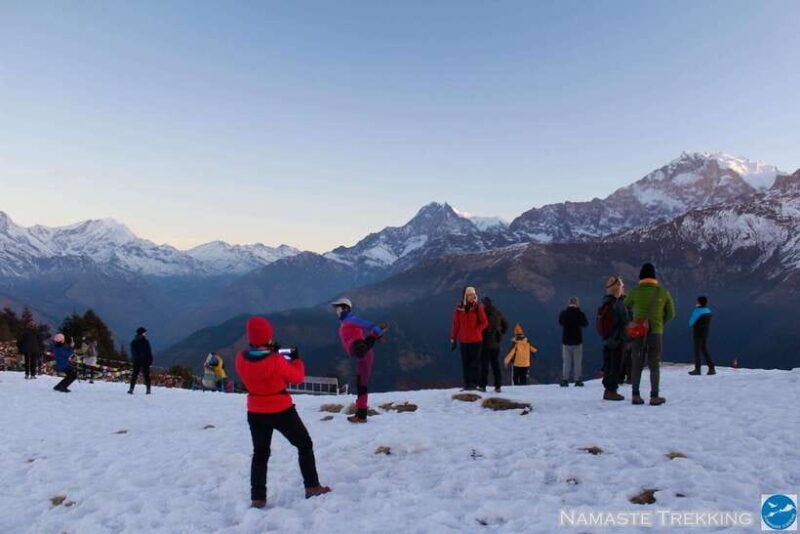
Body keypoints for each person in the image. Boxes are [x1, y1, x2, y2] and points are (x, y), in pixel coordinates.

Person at [235, 316, 331, 507]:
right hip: (281, 409)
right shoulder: (276, 360)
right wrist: (296, 361)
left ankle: (258, 498)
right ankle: (312, 487)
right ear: (269, 337)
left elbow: (256, 368)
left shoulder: (240, 359)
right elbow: (297, 377)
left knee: (260, 454)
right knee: (304, 444)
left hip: (255, 410)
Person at [625, 263, 676, 406]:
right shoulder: (663, 292)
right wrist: (660, 322)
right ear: (654, 276)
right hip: (656, 332)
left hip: (639, 331)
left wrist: (632, 322)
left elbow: (624, 307)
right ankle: (654, 396)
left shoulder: (635, 292)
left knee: (637, 363)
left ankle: (635, 395)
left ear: (640, 277)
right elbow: (672, 313)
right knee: (654, 365)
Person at [331, 297, 388, 423]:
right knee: (360, 383)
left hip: (362, 351)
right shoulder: (346, 321)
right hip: (360, 351)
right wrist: (376, 335)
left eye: (338, 308)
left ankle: (361, 415)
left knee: (362, 384)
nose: (337, 311)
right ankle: (360, 413)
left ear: (345, 308)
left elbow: (370, 325)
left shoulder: (351, 319)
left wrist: (378, 332)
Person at [450, 287, 488, 391]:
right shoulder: (459, 309)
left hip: (476, 340)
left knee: (475, 363)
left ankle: (474, 384)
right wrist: (453, 339)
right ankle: (467, 384)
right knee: (465, 363)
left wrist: (477, 330)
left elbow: (484, 322)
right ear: (465, 296)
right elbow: (456, 324)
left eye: (473, 295)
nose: (472, 297)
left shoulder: (478, 308)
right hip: (464, 340)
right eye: (470, 295)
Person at [598, 276, 630, 401]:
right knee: (616, 364)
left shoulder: (605, 301)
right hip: (618, 338)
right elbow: (625, 320)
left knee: (608, 363)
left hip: (607, 338)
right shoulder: (619, 303)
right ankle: (611, 390)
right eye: (622, 286)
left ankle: (608, 388)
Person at [479, 297, 509, 392]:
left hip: (484, 343)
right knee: (495, 365)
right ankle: (498, 386)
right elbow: (506, 324)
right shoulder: (497, 312)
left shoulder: (481, 314)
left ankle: (482, 386)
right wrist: (500, 334)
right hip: (495, 344)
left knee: (484, 366)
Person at [558, 296, 589, 387]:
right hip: (577, 340)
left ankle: (565, 380)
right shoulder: (580, 313)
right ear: (577, 303)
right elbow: (585, 324)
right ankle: (577, 380)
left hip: (566, 340)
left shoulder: (564, 313)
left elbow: (560, 322)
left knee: (566, 361)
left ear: (569, 303)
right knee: (577, 361)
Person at [688, 296, 715, 376]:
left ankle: (697, 370)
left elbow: (690, 323)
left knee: (697, 351)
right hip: (705, 333)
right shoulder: (708, 311)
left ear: (699, 302)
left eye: (697, 301)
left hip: (697, 333)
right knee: (704, 350)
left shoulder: (697, 311)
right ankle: (711, 368)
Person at [129, 327, 153, 395]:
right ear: (142, 333)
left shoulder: (134, 342)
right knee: (146, 375)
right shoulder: (145, 341)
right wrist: (150, 360)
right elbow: (149, 352)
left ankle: (131, 389)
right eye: (144, 332)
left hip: (136, 361)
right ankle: (148, 389)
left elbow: (133, 352)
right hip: (145, 361)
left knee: (134, 375)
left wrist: (135, 358)